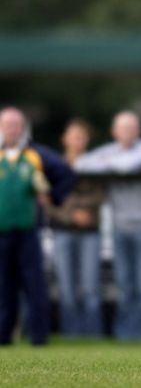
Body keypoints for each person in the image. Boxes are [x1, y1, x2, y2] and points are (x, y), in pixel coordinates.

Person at [75, 111, 141, 340]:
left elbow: (126, 167)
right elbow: (82, 163)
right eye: (123, 128)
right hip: (119, 228)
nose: (127, 132)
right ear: (114, 132)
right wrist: (111, 163)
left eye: (131, 128)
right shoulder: (109, 151)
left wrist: (106, 164)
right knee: (124, 285)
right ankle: (125, 336)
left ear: (138, 131)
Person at [0, 107, 74, 345]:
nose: (11, 129)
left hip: (29, 230)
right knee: (4, 285)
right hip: (2, 232)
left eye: (15, 125)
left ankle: (38, 337)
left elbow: (66, 174)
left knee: (34, 284)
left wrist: (52, 196)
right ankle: (3, 335)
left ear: (22, 128)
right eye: (6, 124)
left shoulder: (36, 154)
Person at [47, 119, 105, 336]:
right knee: (66, 287)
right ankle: (70, 334)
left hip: (90, 232)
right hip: (62, 231)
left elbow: (101, 195)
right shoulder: (54, 166)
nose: (77, 141)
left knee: (91, 286)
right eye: (73, 136)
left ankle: (92, 334)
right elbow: (48, 200)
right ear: (65, 139)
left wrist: (80, 209)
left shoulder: (96, 165)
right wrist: (72, 214)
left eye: (81, 137)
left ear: (87, 140)